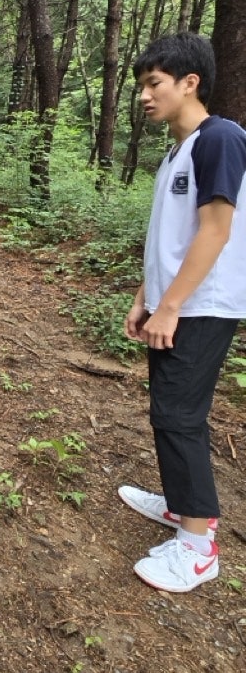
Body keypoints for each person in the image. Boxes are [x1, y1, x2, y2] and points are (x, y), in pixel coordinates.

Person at [119, 31, 246, 593]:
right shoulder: (178, 149)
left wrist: (170, 306)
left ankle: (198, 546)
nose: (145, 96)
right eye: (142, 86)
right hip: (174, 304)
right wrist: (144, 298)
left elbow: (216, 231)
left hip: (202, 306)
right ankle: (180, 504)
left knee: (179, 416)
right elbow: (170, 237)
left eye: (155, 84)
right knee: (168, 410)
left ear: (190, 83)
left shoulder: (220, 139)